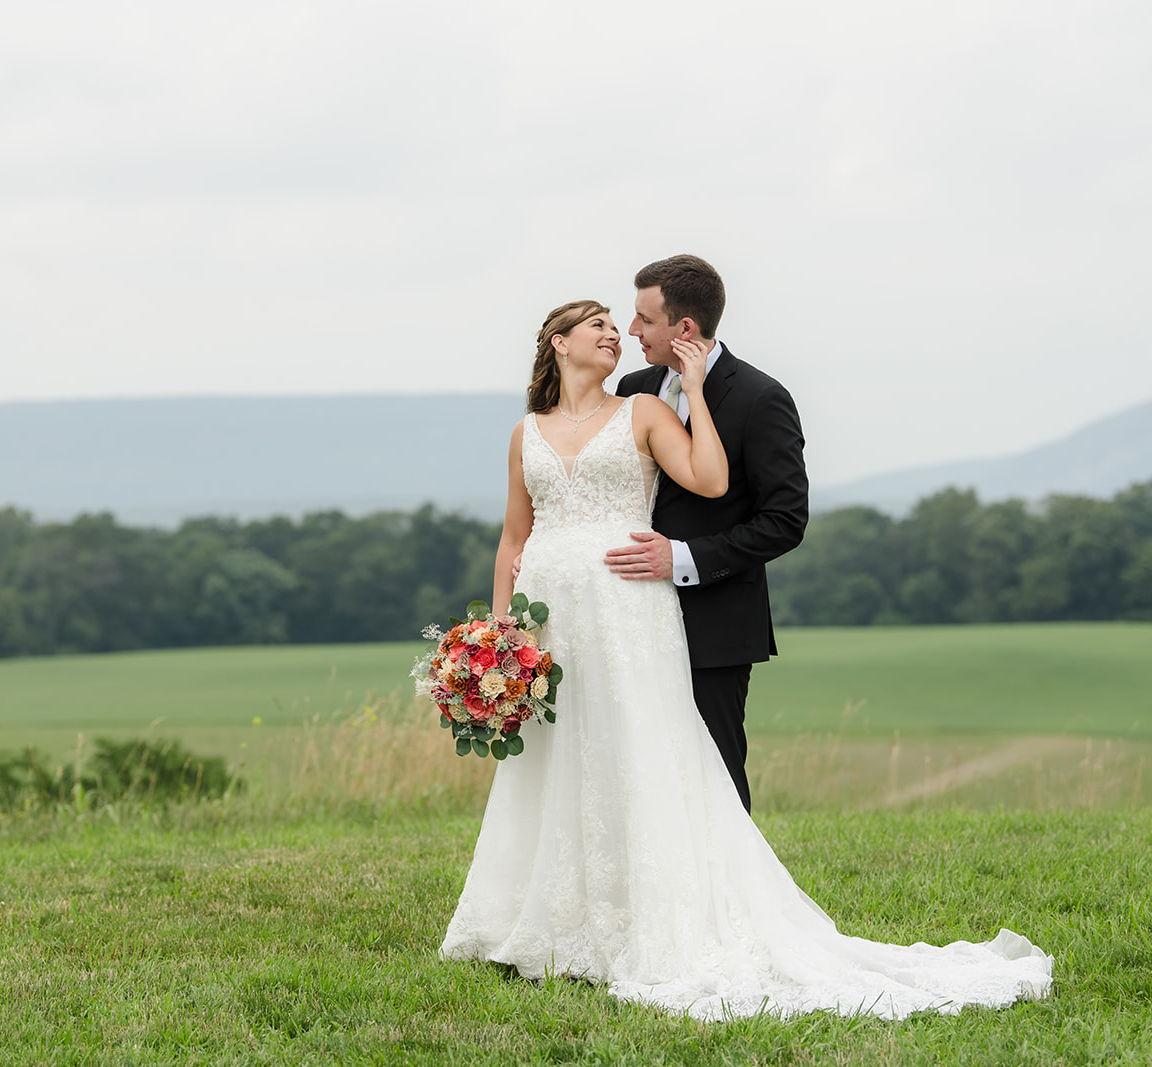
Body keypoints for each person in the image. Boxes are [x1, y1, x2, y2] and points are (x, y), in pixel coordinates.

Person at [440, 297, 1053, 1021]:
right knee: (556, 754)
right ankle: (546, 922)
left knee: (642, 749)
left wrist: (697, 392)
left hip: (626, 610)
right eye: (599, 324)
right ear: (557, 342)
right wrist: (500, 633)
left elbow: (711, 481)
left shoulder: (644, 411)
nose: (618, 333)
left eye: (622, 322)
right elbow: (515, 537)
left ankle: (652, 924)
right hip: (552, 619)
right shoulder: (526, 432)